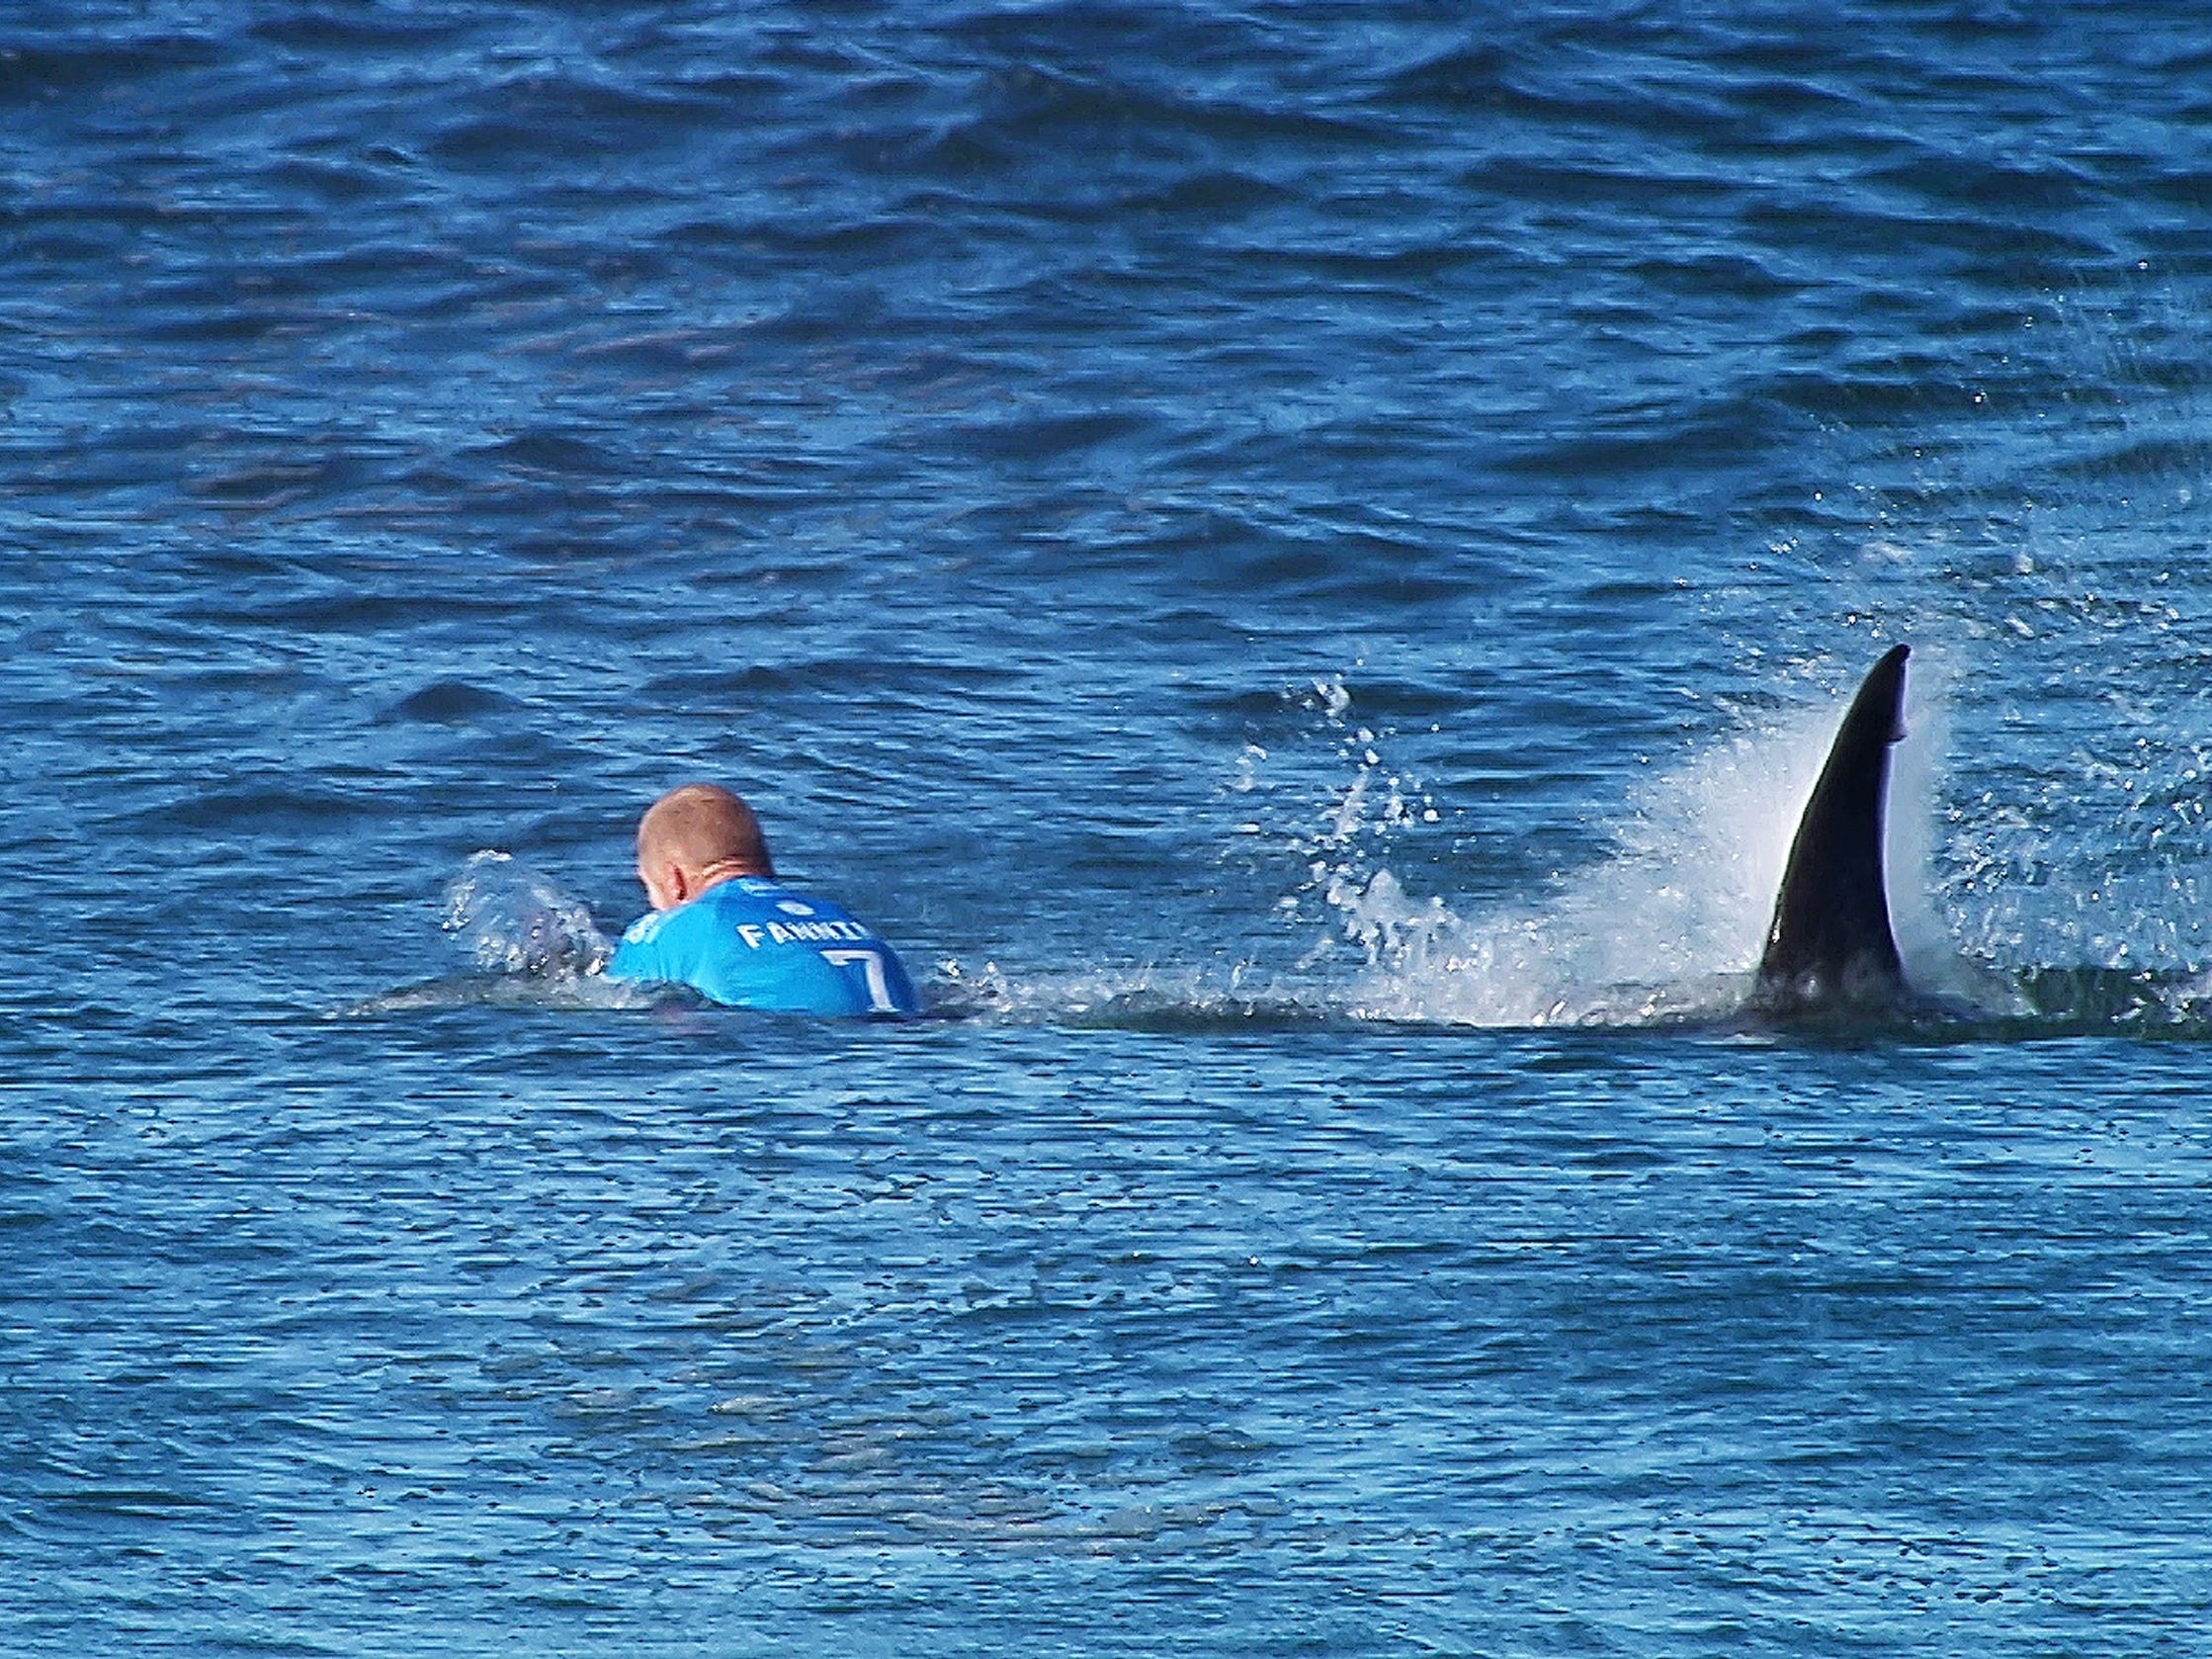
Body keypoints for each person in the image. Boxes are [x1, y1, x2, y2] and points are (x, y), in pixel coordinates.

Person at [602, 783, 919, 1016]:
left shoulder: (677, 927)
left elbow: (613, 1002)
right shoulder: (839, 918)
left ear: (675, 881)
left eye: (648, 887)